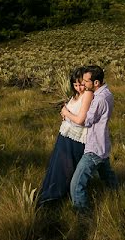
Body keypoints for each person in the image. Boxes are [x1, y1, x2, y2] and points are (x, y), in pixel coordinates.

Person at [64, 64, 117, 212]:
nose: (84, 84)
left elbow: (85, 121)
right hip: (103, 146)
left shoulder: (99, 99)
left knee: (76, 185)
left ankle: (83, 216)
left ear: (96, 83)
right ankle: (119, 197)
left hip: (94, 148)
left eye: (86, 81)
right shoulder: (107, 93)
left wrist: (67, 114)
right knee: (108, 178)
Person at [37, 66, 93, 206]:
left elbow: (80, 120)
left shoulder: (88, 94)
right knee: (57, 166)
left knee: (66, 168)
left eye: (81, 84)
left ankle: (57, 197)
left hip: (76, 138)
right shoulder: (75, 95)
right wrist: (65, 114)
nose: (79, 87)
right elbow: (71, 114)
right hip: (65, 135)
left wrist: (66, 112)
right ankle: (51, 195)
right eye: (75, 85)